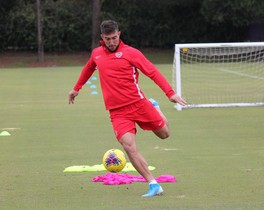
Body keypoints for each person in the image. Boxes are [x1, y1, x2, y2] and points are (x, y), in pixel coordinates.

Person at [68, 20, 186, 197]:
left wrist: (170, 93)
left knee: (164, 134)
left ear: (119, 34)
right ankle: (153, 184)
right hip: (117, 112)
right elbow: (88, 68)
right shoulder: (97, 54)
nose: (111, 42)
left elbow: (152, 72)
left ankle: (156, 107)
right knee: (129, 146)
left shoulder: (131, 53)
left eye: (114, 37)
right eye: (107, 38)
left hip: (139, 104)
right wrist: (76, 88)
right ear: (102, 37)